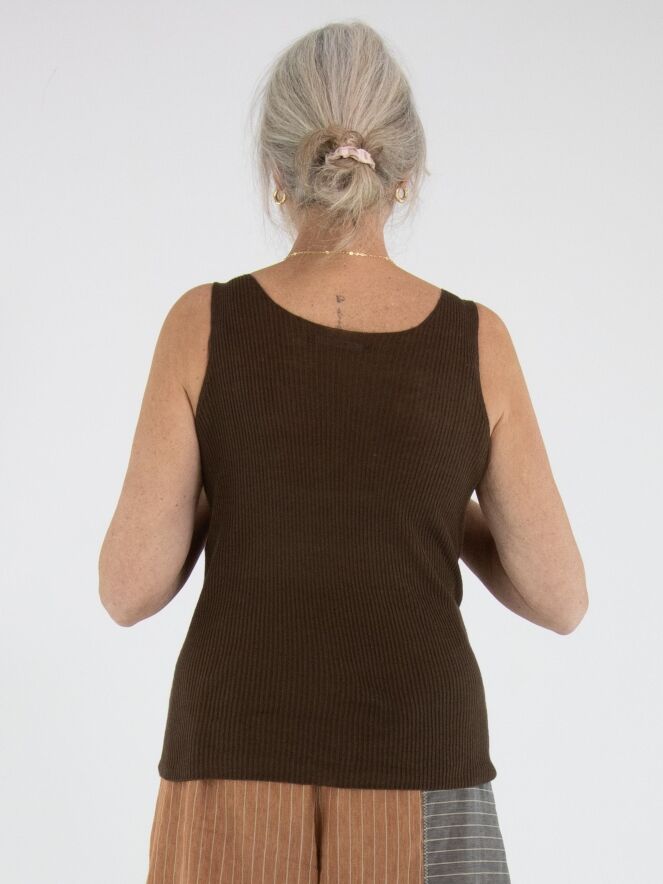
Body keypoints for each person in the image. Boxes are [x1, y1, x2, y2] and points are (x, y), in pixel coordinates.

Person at [98, 19, 588, 883]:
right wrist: (421, 497)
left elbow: (128, 587)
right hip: (421, 756)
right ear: (405, 176)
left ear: (274, 173)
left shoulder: (201, 326)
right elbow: (560, 598)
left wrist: (246, 479)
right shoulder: (477, 343)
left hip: (233, 763)